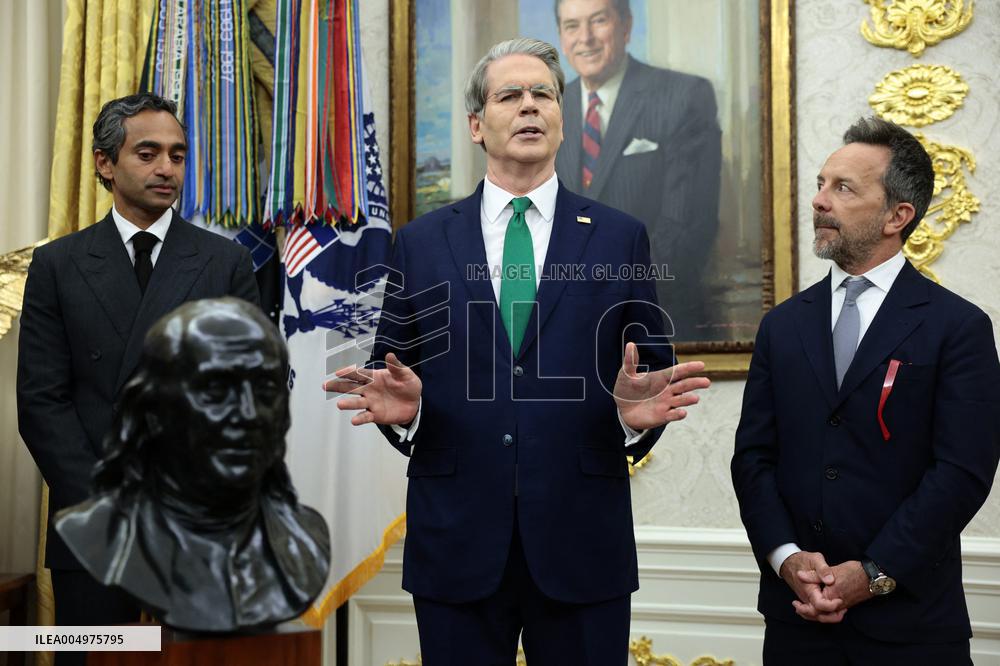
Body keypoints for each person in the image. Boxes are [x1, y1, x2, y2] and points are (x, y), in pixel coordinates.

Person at [325, 38, 710, 664]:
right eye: (510, 95)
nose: (530, 106)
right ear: (478, 124)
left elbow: (649, 382)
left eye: (544, 95)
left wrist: (626, 419)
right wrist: (412, 415)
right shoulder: (421, 242)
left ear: (561, 118)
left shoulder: (619, 237)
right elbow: (393, 375)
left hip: (583, 542)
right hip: (457, 541)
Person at [731, 117, 1000, 664]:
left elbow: (962, 472)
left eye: (843, 187)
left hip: (912, 627)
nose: (819, 201)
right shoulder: (782, 326)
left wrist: (873, 574)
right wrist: (785, 558)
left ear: (897, 216)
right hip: (796, 621)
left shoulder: (957, 326)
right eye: (821, 184)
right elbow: (753, 458)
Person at [17, 93, 260, 652]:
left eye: (177, 155)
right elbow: (41, 401)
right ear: (106, 163)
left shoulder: (225, 263)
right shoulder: (58, 265)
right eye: (147, 153)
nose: (166, 168)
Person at [54, 298, 330, 632]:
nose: (248, 413)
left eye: (265, 389)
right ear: (153, 413)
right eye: (215, 390)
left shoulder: (304, 540)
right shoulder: (101, 534)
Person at [553, 0, 722, 340]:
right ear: (561, 36)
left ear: (626, 26)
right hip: (566, 332)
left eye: (598, 21)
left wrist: (597, 299)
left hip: (658, 324)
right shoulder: (550, 107)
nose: (585, 38)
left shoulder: (684, 97)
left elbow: (686, 230)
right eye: (572, 26)